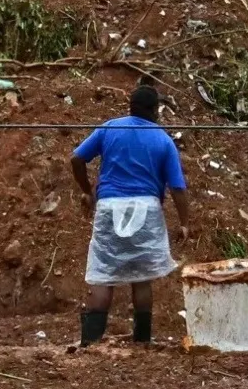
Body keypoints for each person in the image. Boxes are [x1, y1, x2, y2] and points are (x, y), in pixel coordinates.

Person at [69, 80, 189, 347]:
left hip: (109, 206)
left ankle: (90, 344)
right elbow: (178, 188)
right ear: (155, 110)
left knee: (103, 274)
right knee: (142, 277)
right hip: (146, 209)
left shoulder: (111, 127)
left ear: (130, 107)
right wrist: (184, 223)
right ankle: (142, 341)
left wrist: (87, 190)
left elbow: (76, 158)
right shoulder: (163, 139)